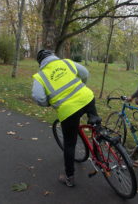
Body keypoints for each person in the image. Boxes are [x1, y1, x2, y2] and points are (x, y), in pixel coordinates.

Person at [32, 49, 99, 187]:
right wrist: (82, 87)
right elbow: (85, 73)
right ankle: (102, 154)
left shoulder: (40, 76)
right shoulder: (66, 63)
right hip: (87, 98)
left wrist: (49, 103)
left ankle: (69, 178)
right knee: (96, 126)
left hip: (68, 111)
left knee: (69, 145)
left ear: (40, 62)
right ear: (53, 55)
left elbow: (38, 97)